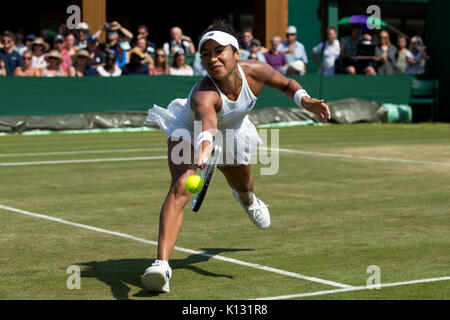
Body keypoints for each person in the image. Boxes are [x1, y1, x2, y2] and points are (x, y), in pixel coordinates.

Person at [143, 21, 330, 293]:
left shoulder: (256, 71)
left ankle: (247, 200)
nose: (212, 58)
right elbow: (207, 123)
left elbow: (288, 83)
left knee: (244, 185)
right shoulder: (204, 93)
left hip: (233, 131)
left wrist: (306, 101)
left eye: (219, 51)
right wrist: (205, 146)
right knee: (183, 184)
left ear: (236, 53)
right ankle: (161, 265)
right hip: (189, 131)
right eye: (205, 54)